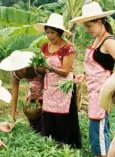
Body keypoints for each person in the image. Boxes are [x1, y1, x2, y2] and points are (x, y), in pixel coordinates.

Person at [70, 1, 115, 157]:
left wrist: (109, 83)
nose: (87, 30)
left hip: (101, 91)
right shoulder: (97, 39)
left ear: (99, 22)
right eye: (85, 26)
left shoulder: (108, 41)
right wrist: (84, 75)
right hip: (93, 91)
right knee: (97, 127)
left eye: (89, 26)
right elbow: (98, 64)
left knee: (97, 127)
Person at [33, 13, 82, 148]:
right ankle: (50, 143)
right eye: (47, 32)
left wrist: (49, 67)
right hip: (50, 87)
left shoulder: (68, 48)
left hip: (64, 87)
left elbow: (66, 71)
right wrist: (39, 68)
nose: (50, 36)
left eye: (53, 32)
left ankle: (66, 145)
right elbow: (42, 67)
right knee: (49, 115)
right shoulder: (44, 46)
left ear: (59, 32)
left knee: (63, 118)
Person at [0, 50, 45, 133]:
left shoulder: (37, 67)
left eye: (21, 69)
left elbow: (50, 78)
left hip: (46, 89)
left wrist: (41, 92)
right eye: (17, 69)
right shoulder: (16, 74)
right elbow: (14, 97)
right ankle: (35, 129)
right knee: (32, 112)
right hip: (33, 91)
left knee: (45, 117)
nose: (20, 72)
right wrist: (12, 118)